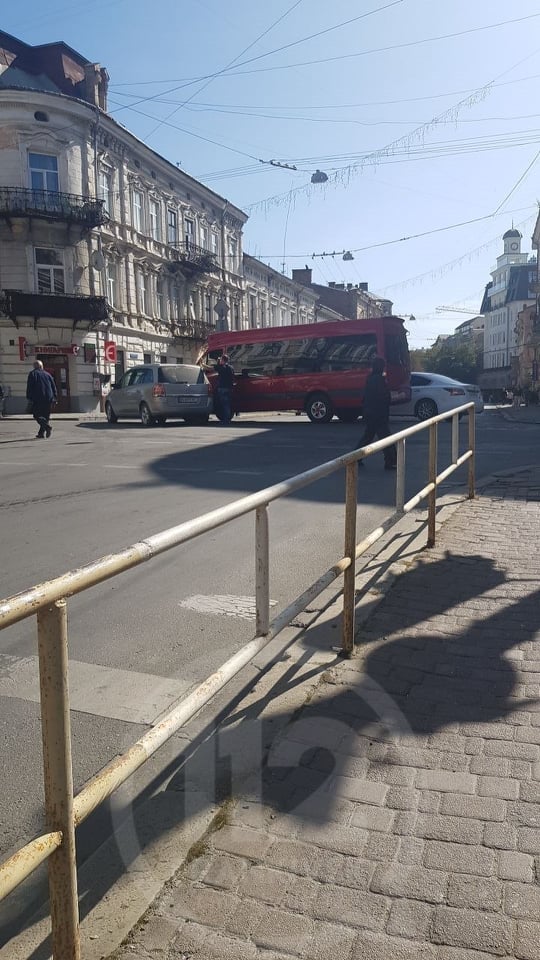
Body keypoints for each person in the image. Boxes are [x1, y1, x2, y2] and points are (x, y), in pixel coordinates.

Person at [355, 356, 396, 470]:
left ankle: (355, 457)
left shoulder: (370, 378)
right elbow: (383, 397)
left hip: (370, 413)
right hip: (379, 414)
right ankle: (391, 461)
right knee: (387, 439)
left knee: (367, 437)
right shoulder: (379, 380)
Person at [26, 360, 57, 438]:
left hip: (38, 398)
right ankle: (41, 433)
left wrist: (29, 397)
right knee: (46, 416)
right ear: (41, 366)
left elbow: (30, 387)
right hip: (49, 398)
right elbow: (54, 387)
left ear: (35, 366)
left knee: (36, 415)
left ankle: (47, 427)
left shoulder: (33, 374)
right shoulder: (48, 375)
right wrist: (55, 398)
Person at [214, 353, 235, 423]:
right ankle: (228, 419)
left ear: (222, 360)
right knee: (228, 404)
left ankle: (226, 420)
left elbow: (213, 368)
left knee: (224, 405)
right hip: (229, 388)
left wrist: (218, 362)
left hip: (223, 388)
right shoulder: (231, 367)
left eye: (221, 360)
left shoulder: (222, 367)